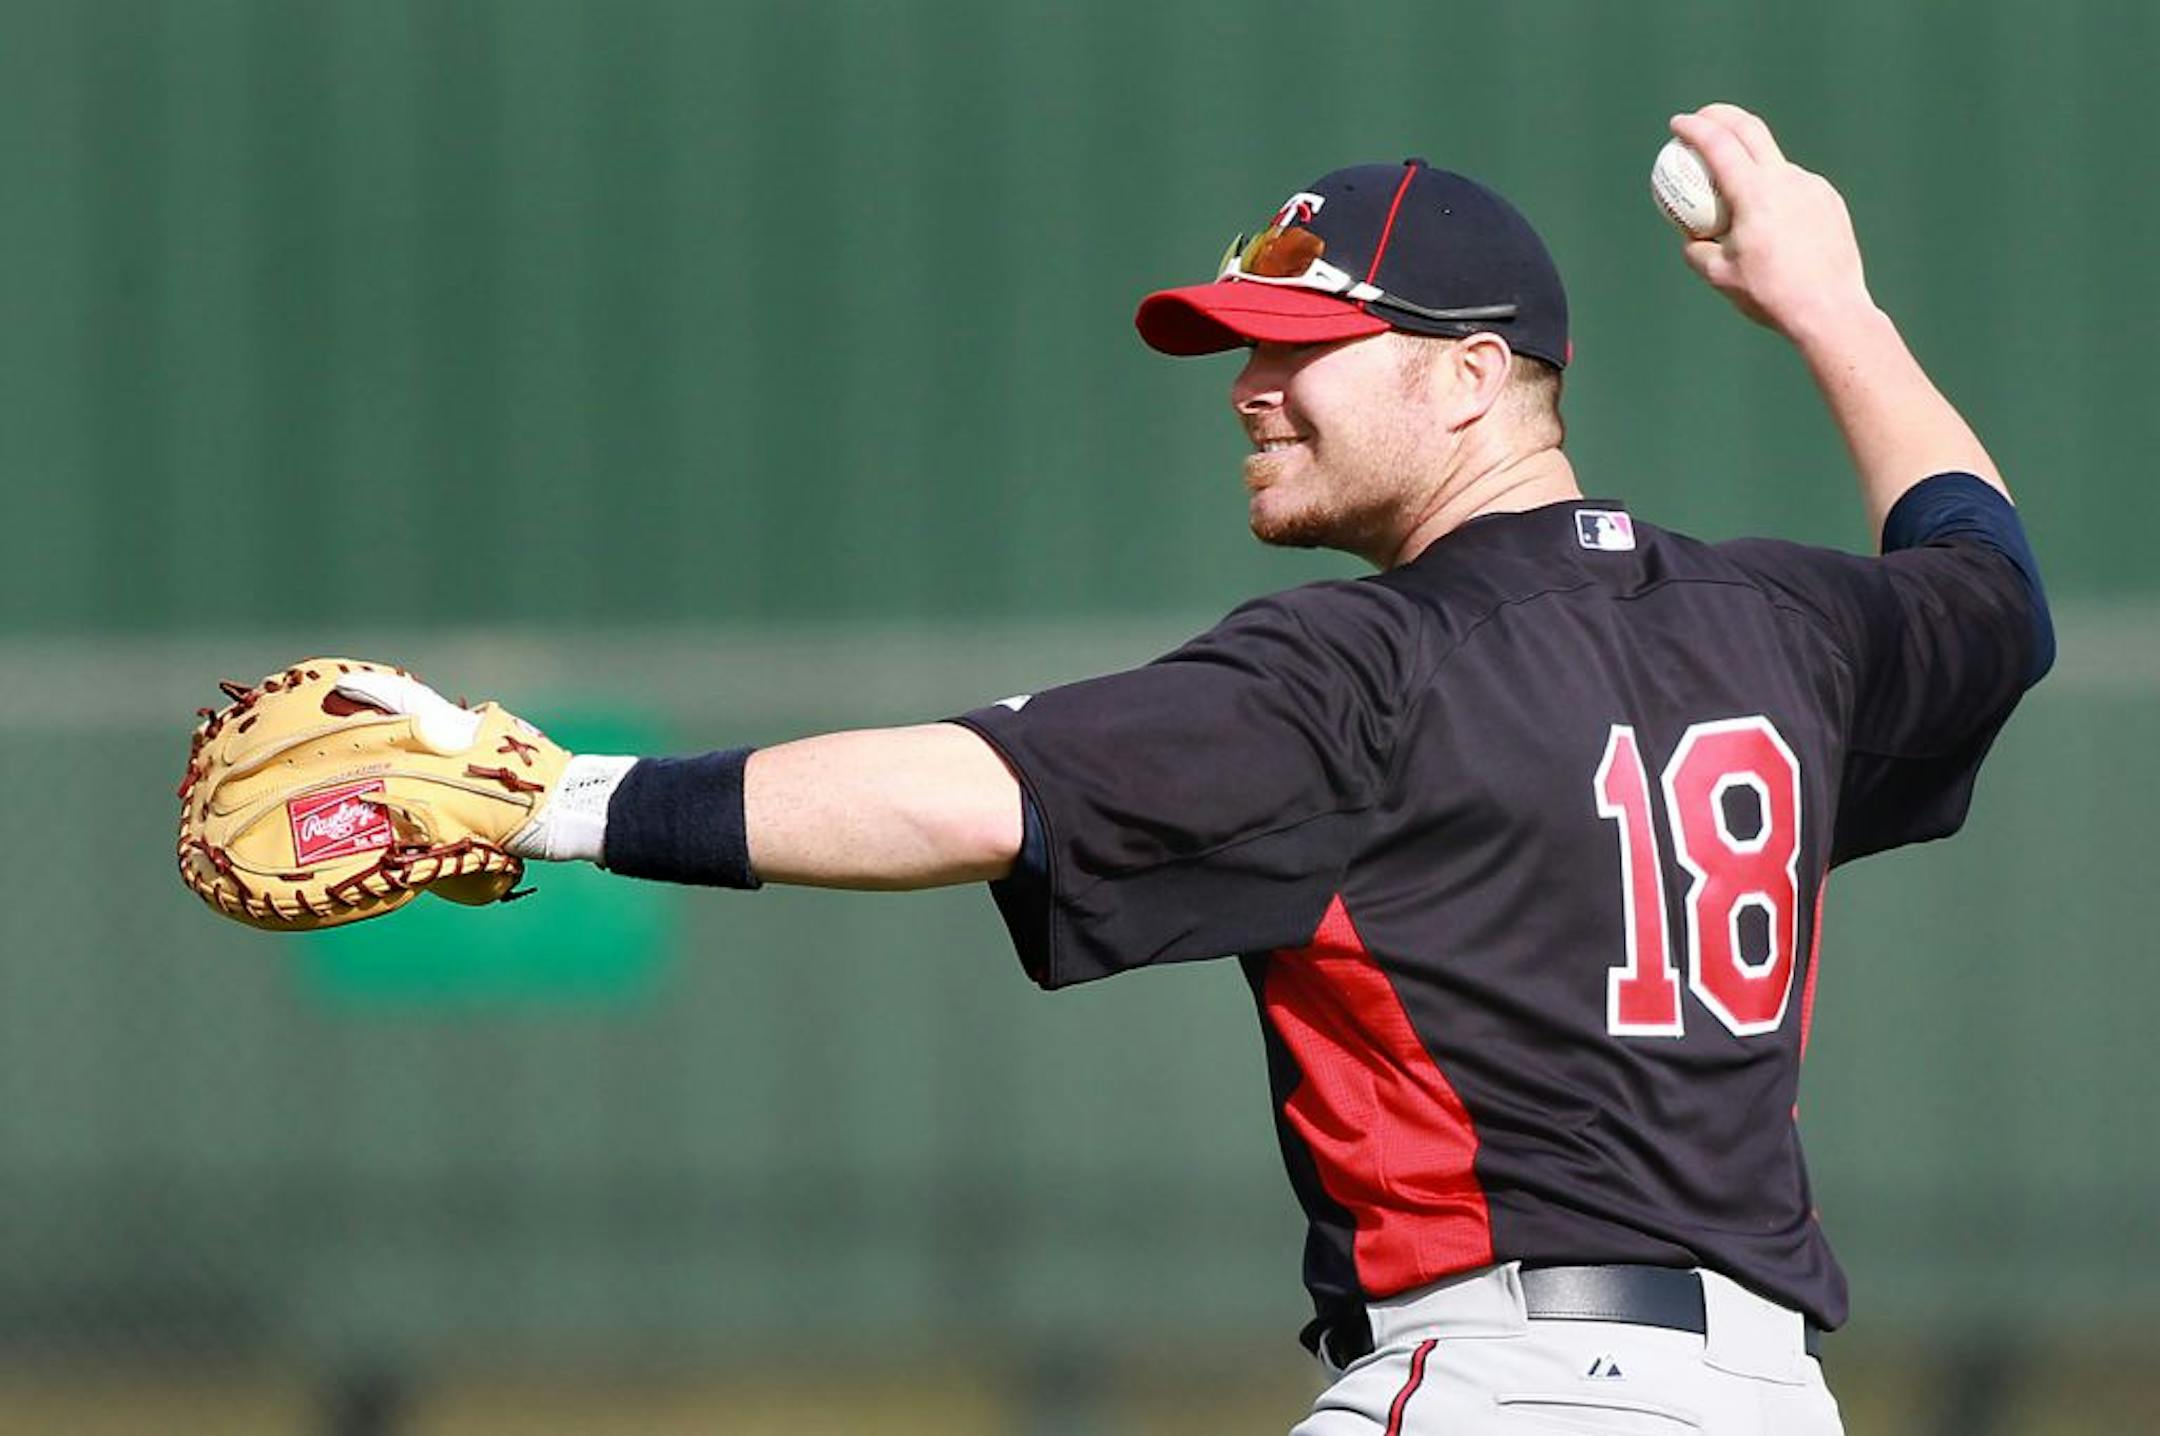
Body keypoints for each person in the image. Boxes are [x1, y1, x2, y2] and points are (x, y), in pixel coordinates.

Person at [482, 103, 2053, 1433]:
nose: (1248, 387)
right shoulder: (1787, 629)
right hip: (1767, 1401)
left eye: (1306, 345)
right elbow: (1989, 582)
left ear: (1467, 373)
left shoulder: (1364, 670)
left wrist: (552, 801)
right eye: (1243, 346)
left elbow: (967, 792)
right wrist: (1833, 307)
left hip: (1497, 1379)